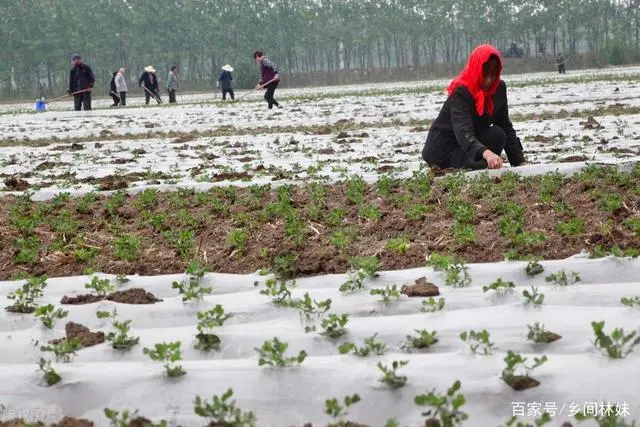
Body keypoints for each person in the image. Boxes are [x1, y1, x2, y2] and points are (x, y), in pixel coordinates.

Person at [422, 44, 526, 170]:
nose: (489, 80)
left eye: (493, 74)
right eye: (485, 74)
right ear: (476, 69)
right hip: (444, 149)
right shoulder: (461, 92)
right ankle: (471, 163)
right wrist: (486, 153)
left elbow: (505, 126)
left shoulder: (498, 90)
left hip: (469, 144)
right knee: (480, 165)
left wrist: (519, 161)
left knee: (498, 134)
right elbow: (463, 131)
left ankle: (477, 161)